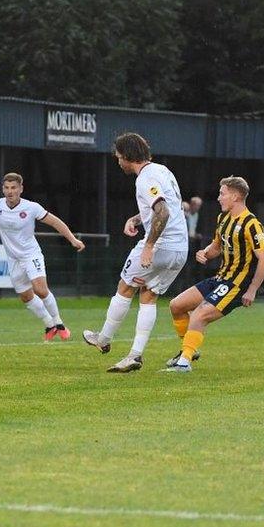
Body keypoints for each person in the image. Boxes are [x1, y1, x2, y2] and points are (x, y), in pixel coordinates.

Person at [83, 132, 189, 372]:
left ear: (128, 156)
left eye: (119, 156)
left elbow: (162, 212)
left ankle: (104, 339)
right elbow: (165, 207)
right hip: (180, 249)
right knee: (148, 295)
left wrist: (149, 246)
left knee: (125, 286)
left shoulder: (144, 179)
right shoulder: (163, 171)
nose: (118, 161)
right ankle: (135, 355)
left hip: (161, 246)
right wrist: (136, 219)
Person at [0, 173, 85, 340]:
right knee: (25, 296)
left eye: (13, 188)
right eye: (6, 188)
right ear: (3, 189)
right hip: (13, 258)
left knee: (40, 289)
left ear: (21, 189)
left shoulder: (32, 207)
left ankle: (59, 323)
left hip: (31, 254)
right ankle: (49, 325)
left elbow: (55, 222)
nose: (10, 191)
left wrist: (72, 239)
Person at [163, 177, 264, 372]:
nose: (219, 197)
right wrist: (205, 253)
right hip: (220, 278)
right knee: (177, 305)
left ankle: (184, 363)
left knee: (200, 314)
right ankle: (189, 350)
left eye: (222, 193)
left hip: (237, 284)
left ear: (235, 196)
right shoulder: (223, 218)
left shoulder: (252, 224)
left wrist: (252, 290)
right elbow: (217, 247)